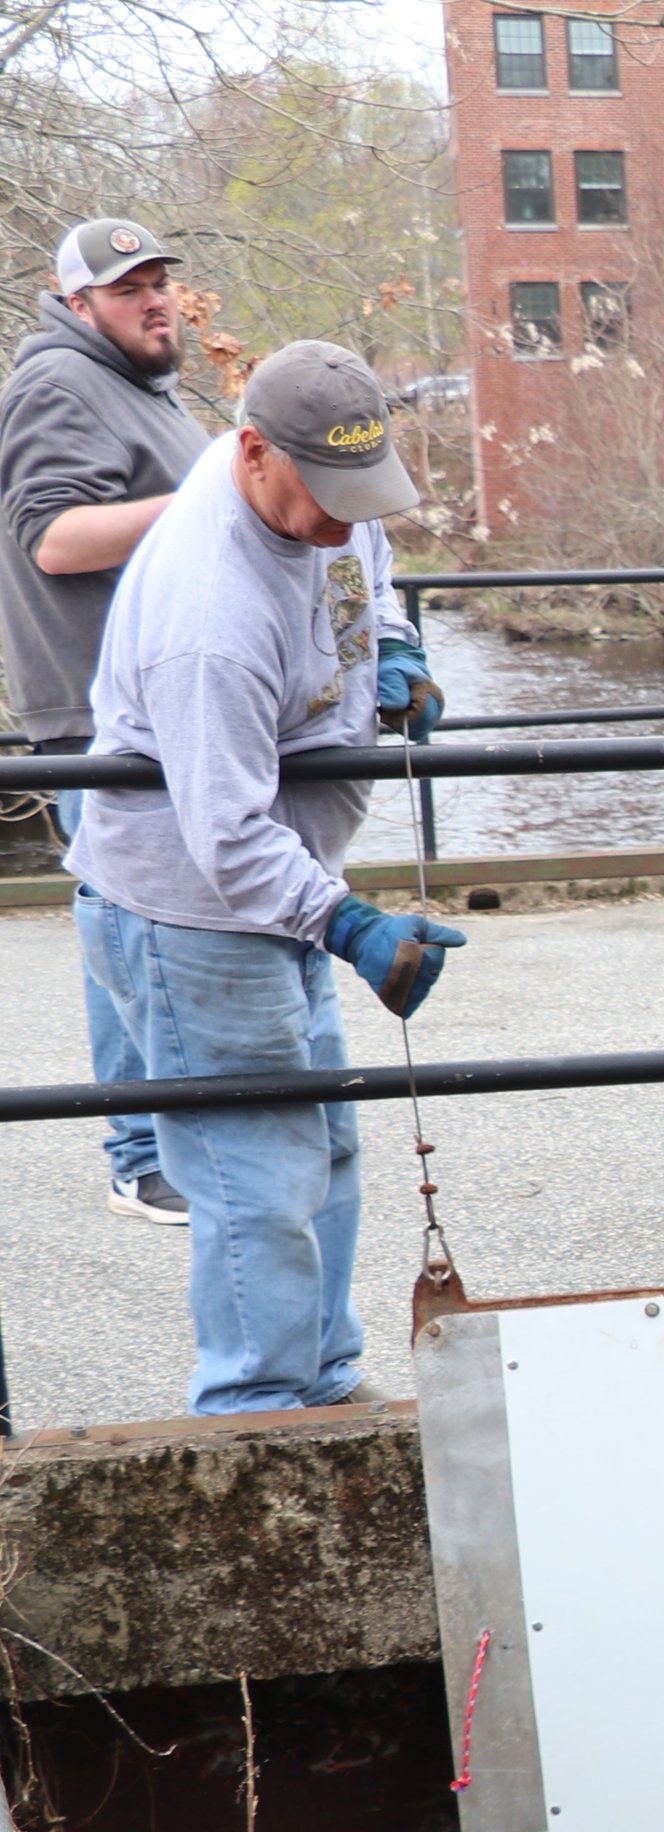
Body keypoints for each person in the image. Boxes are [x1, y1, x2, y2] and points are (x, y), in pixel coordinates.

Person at [66, 339, 463, 1415]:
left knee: (321, 1145)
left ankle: (322, 1386)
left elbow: (363, 563)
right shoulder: (210, 616)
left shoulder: (326, 491)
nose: (346, 515)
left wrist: (393, 649)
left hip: (273, 897)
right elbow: (226, 832)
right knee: (255, 1180)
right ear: (252, 453)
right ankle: (251, 1415)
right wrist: (349, 924)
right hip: (191, 910)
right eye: (327, 496)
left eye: (361, 490)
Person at [0, 218, 210, 1223]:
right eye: (130, 289)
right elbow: (55, 539)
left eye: (162, 281)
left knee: (151, 923)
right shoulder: (57, 386)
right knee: (124, 925)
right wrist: (209, 499)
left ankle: (175, 1130)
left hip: (157, 708)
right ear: (76, 303)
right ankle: (139, 1149)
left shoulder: (135, 390)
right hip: (99, 717)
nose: (156, 299)